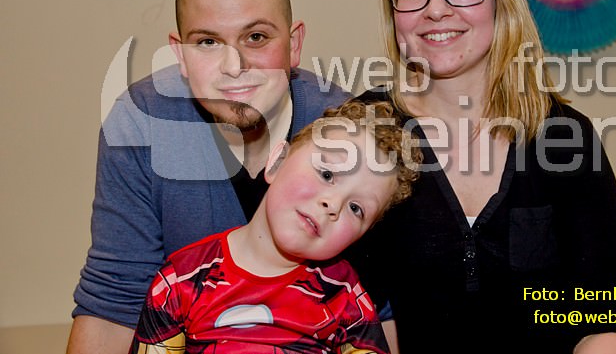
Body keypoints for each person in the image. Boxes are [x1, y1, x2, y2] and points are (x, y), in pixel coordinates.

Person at [346, 0, 616, 353]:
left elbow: (605, 323)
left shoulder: (565, 137)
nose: (435, 9)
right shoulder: (365, 132)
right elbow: (346, 309)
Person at [67, 0, 350, 353]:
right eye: (208, 42)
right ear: (181, 54)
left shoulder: (346, 128)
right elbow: (114, 302)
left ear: (293, 43)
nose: (233, 66)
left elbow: (378, 307)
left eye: (256, 37)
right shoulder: (140, 122)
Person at [130, 100, 421, 354]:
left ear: (361, 236)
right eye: (327, 174)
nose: (333, 204)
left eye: (356, 208)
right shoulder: (181, 280)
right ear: (278, 162)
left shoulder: (345, 299)